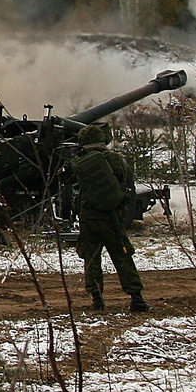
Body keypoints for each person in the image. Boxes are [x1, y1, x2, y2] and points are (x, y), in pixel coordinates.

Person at [69, 123, 148, 312]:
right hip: (111, 216)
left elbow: (69, 182)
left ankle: (97, 299)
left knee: (92, 258)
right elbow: (123, 181)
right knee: (122, 256)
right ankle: (136, 298)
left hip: (89, 217)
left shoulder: (81, 162)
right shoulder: (114, 159)